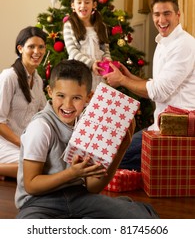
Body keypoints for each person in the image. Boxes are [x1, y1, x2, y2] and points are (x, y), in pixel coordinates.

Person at [15, 59, 158, 219]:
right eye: (61, 96)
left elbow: (92, 187)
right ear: (50, 91)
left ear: (89, 97)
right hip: (40, 203)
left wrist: (122, 147)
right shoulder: (40, 127)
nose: (67, 105)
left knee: (143, 218)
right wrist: (71, 173)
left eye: (76, 98)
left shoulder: (88, 125)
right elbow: (31, 185)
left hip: (79, 198)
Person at [103, 0, 195, 171]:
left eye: (167, 13)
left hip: (179, 127)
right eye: (157, 14)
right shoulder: (163, 42)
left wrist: (122, 80)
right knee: (116, 153)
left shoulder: (184, 45)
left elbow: (158, 91)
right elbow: (157, 84)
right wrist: (129, 77)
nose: (161, 19)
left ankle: (160, 167)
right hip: (162, 124)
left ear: (178, 15)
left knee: (116, 158)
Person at [0, 26, 47, 180]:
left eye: (41, 47)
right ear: (20, 49)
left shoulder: (38, 80)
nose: (37, 51)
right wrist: (22, 143)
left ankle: (7, 171)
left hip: (24, 144)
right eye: (31, 47)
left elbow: (45, 113)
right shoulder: (9, 77)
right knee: (35, 168)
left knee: (48, 164)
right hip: (6, 143)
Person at [63, 0, 112, 91]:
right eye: (79, 2)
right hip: (79, 73)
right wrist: (91, 64)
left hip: (98, 73)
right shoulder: (69, 25)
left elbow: (105, 50)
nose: (83, 6)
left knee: (96, 101)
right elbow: (72, 51)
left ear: (94, 5)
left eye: (87, 2)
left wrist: (108, 64)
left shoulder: (101, 26)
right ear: (73, 5)